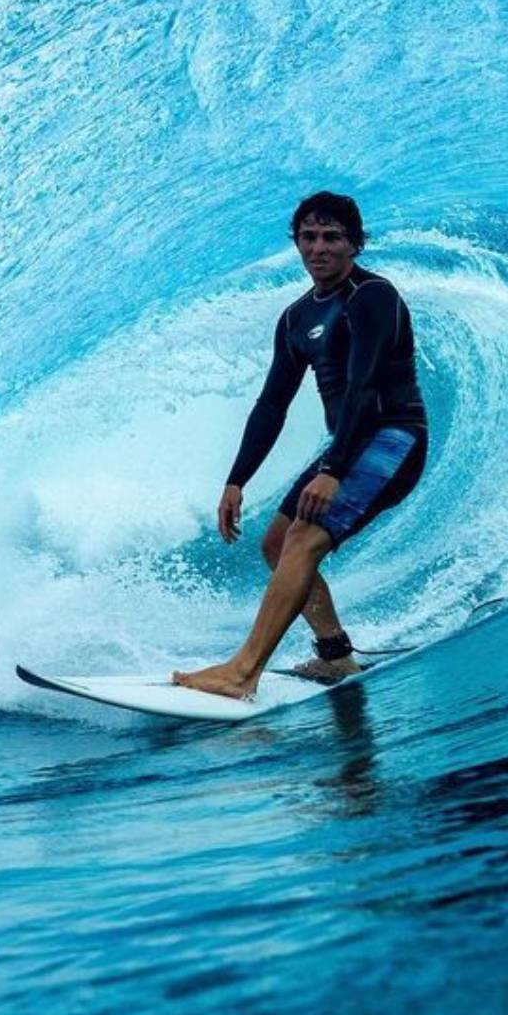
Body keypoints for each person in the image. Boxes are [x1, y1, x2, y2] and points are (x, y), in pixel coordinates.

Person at [173, 191, 430, 700]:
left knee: (304, 539)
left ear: (356, 244)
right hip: (350, 446)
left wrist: (333, 468)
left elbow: (363, 383)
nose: (319, 248)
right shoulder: (295, 319)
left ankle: (242, 672)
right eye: (308, 237)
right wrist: (236, 479)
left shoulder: (372, 296)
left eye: (332, 237)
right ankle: (334, 657)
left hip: (391, 437)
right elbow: (272, 404)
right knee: (276, 541)